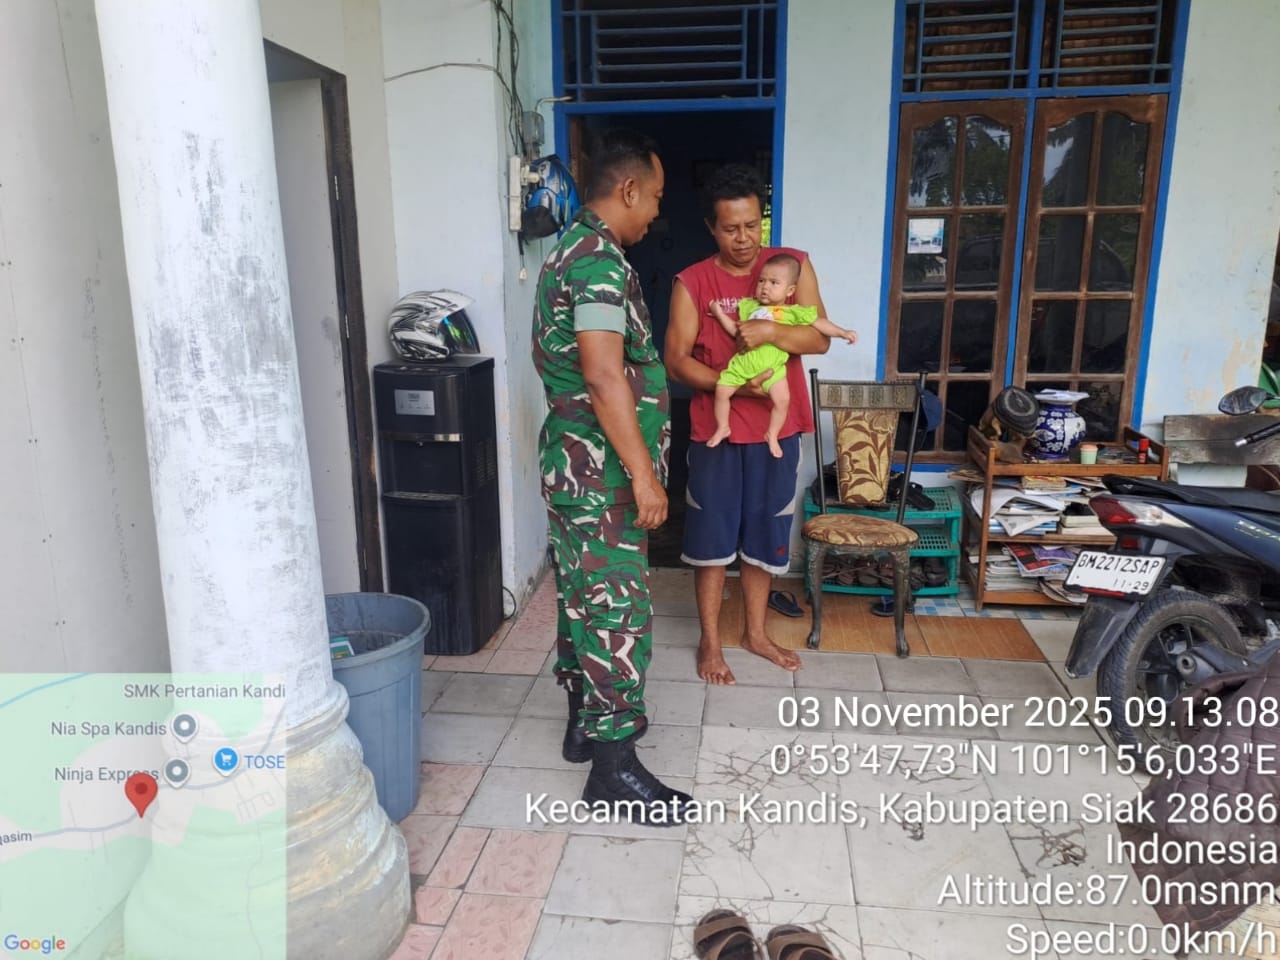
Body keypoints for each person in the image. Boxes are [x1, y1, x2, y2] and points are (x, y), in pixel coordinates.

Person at [530, 128, 693, 825]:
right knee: (616, 610)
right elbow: (602, 374)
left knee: (580, 597)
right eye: (654, 197)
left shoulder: (567, 250)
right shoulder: (597, 261)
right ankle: (614, 768)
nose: (656, 212)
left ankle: (581, 726)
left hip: (576, 468)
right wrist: (644, 477)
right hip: (600, 475)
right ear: (627, 190)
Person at [665, 163, 832, 685]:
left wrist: (770, 332)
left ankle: (755, 633)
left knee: (765, 531)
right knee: (712, 535)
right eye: (731, 228)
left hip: (776, 431)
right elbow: (676, 361)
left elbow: (818, 338)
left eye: (753, 225)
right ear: (711, 228)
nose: (744, 239)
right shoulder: (693, 281)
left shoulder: (792, 267)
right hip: (715, 429)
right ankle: (711, 642)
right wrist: (734, 386)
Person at [708, 252, 857, 457]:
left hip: (773, 370)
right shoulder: (750, 307)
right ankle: (723, 427)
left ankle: (772, 434)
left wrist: (842, 332)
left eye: (774, 282)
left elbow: (820, 323)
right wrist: (719, 314)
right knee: (722, 391)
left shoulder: (792, 312)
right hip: (743, 364)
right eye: (761, 281)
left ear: (790, 290)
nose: (765, 287)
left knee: (783, 400)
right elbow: (736, 330)